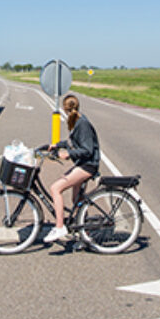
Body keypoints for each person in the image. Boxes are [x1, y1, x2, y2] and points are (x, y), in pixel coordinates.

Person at [43, 94, 100, 243]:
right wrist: (58, 145)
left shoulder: (82, 123)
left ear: (64, 108)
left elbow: (87, 149)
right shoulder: (78, 119)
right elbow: (74, 142)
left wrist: (69, 153)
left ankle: (60, 226)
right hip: (83, 163)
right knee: (76, 199)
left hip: (88, 165)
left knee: (55, 189)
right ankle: (85, 233)